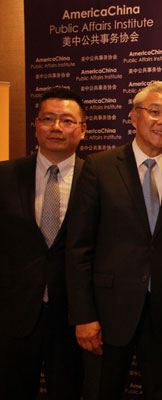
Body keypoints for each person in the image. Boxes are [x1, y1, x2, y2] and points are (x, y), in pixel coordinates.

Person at [66, 81, 162, 399]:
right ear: (134, 116)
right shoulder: (98, 168)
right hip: (108, 312)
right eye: (154, 111)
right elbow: (78, 247)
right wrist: (84, 316)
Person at [0, 87, 86, 399]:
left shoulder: (99, 180)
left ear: (82, 129)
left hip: (73, 320)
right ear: (35, 125)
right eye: (48, 119)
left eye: (66, 120)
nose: (56, 127)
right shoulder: (6, 175)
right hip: (14, 317)